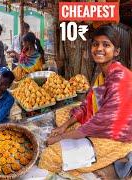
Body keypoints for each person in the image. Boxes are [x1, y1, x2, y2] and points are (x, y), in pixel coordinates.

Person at [38, 25, 132, 175]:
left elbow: (99, 123)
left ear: (116, 51)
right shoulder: (103, 75)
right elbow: (86, 104)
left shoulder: (121, 78)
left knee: (50, 157)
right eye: (95, 44)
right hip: (97, 124)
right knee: (65, 113)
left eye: (106, 45)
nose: (99, 48)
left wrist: (61, 137)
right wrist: (64, 126)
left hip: (117, 136)